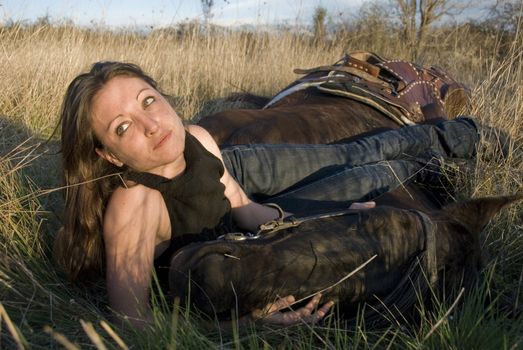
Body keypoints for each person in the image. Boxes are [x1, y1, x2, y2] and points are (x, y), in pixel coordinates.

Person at [54, 61, 479, 329]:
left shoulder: (199, 138)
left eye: (149, 100)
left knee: (366, 165)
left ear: (163, 95)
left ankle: (472, 137)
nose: (150, 124)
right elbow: (133, 323)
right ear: (109, 156)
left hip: (260, 231)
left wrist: (326, 212)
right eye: (122, 128)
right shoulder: (134, 203)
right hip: (238, 262)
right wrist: (242, 327)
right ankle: (459, 144)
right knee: (373, 165)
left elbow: (243, 208)